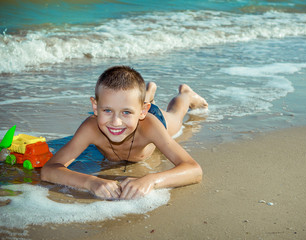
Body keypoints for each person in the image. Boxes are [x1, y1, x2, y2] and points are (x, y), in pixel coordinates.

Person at [41, 66, 208, 200]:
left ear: (143, 111)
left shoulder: (150, 126)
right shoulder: (91, 128)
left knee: (176, 117)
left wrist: (151, 180)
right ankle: (146, 95)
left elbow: (194, 170)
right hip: (138, 108)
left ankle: (185, 94)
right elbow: (49, 170)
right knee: (130, 103)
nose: (115, 122)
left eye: (125, 112)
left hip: (152, 118)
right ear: (95, 107)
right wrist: (90, 182)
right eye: (107, 110)